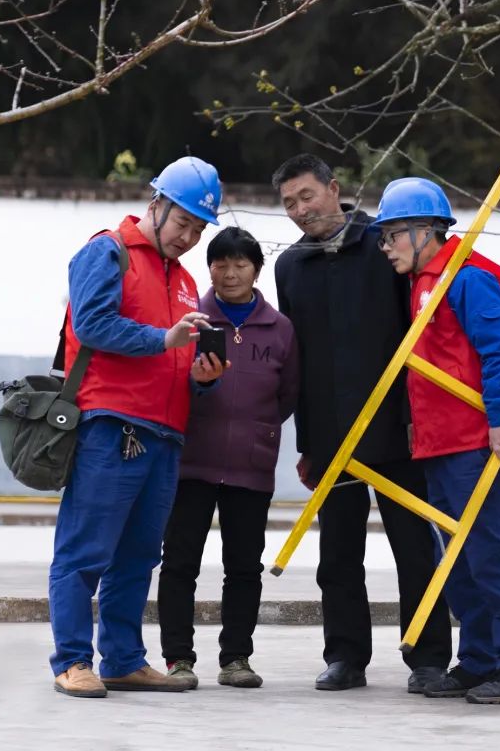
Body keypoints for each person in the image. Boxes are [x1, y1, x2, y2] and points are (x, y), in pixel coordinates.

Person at [273, 151, 452, 694]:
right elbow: (298, 359)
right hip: (330, 436)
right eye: (289, 204)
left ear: (334, 188)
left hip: (397, 430)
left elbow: (418, 336)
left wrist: (420, 421)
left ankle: (428, 659)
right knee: (338, 553)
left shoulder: (385, 246)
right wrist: (306, 442)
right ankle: (345, 656)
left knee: (414, 548)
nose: (301, 210)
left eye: (307, 196)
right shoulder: (289, 267)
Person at [48, 156, 224, 698]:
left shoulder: (189, 281)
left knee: (140, 555)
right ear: (157, 205)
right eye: (183, 223)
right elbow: (94, 324)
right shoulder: (107, 251)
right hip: (110, 425)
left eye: (198, 228)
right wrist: (162, 340)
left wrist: (201, 378)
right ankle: (72, 660)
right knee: (86, 550)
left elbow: (174, 355)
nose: (189, 237)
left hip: (165, 433)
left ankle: (123, 658)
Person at [376, 176, 500, 705]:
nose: (386, 247)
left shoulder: (468, 277)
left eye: (393, 235)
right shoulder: (422, 282)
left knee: (492, 554)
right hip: (442, 444)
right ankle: (478, 660)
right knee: (458, 558)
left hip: (478, 441)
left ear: (427, 230)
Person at [157, 225, 299, 689]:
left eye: (241, 264)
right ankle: (178, 658)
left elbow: (289, 393)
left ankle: (236, 658)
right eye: (221, 263)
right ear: (209, 268)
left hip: (250, 466)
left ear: (257, 270)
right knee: (180, 562)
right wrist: (200, 387)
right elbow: (170, 385)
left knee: (243, 566)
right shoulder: (191, 320)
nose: (230, 272)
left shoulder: (280, 330)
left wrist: (258, 430)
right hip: (190, 462)